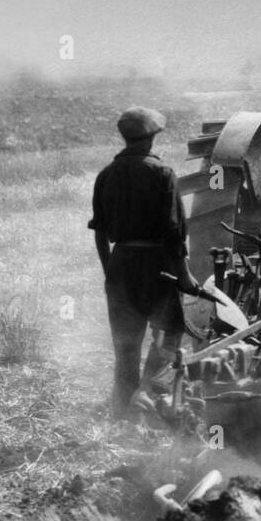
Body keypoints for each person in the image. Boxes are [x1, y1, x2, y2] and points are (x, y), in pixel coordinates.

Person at [88, 107, 199, 418]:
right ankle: (148, 394)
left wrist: (109, 269)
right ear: (150, 139)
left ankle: (124, 414)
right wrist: (185, 275)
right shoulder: (162, 174)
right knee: (170, 333)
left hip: (121, 263)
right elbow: (175, 231)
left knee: (125, 347)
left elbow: (99, 231)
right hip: (156, 264)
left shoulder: (106, 175)